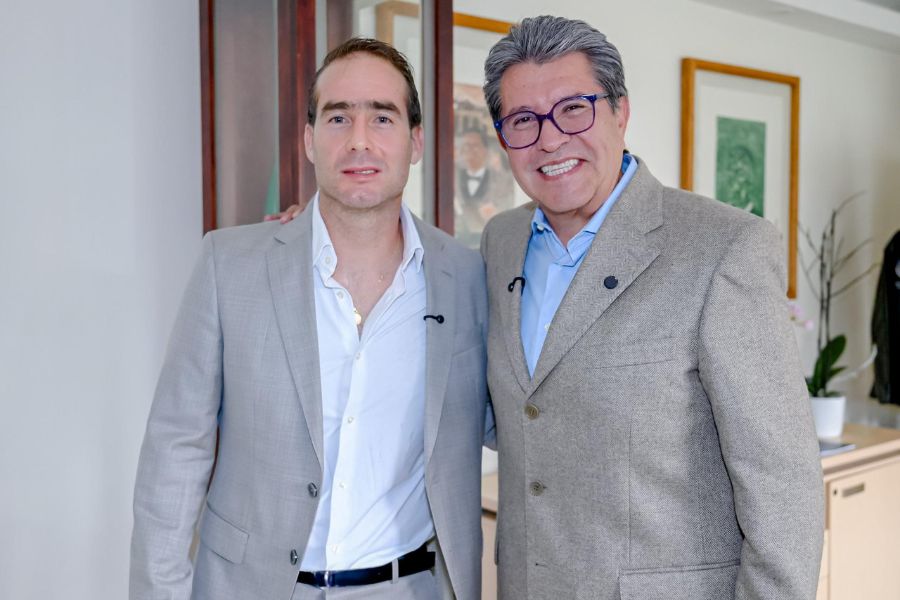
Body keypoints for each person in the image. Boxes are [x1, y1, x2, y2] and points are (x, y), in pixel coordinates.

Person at [130, 38, 491, 600]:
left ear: (416, 141)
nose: (359, 140)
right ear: (309, 140)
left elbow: (510, 419)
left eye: (383, 117)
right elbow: (177, 448)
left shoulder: (466, 278)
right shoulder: (230, 264)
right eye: (338, 117)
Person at [478, 15, 824, 599]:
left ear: (621, 111)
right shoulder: (500, 242)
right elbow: (524, 414)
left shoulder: (723, 248)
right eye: (523, 120)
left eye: (573, 109)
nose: (550, 139)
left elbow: (782, 487)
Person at [454, 126, 515, 249]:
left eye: (475, 146)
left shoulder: (502, 181)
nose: (470, 150)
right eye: (466, 146)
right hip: (456, 244)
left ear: (485, 150)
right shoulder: (452, 178)